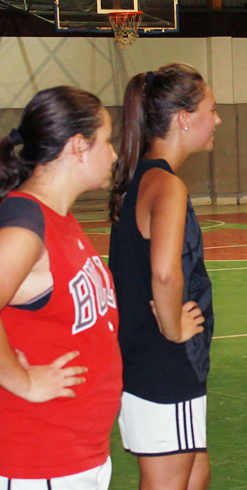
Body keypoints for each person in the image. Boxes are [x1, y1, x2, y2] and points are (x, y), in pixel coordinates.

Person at [0, 86, 122, 489]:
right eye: (107, 141)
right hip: (41, 459)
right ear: (78, 146)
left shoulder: (58, 217)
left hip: (76, 454)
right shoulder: (24, 224)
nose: (115, 154)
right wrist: (24, 381)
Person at [108, 63, 220, 490]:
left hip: (162, 367)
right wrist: (174, 330)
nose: (217, 120)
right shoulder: (167, 186)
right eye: (211, 109)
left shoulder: (146, 178)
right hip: (161, 364)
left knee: (195, 474)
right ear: (184, 118)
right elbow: (165, 273)